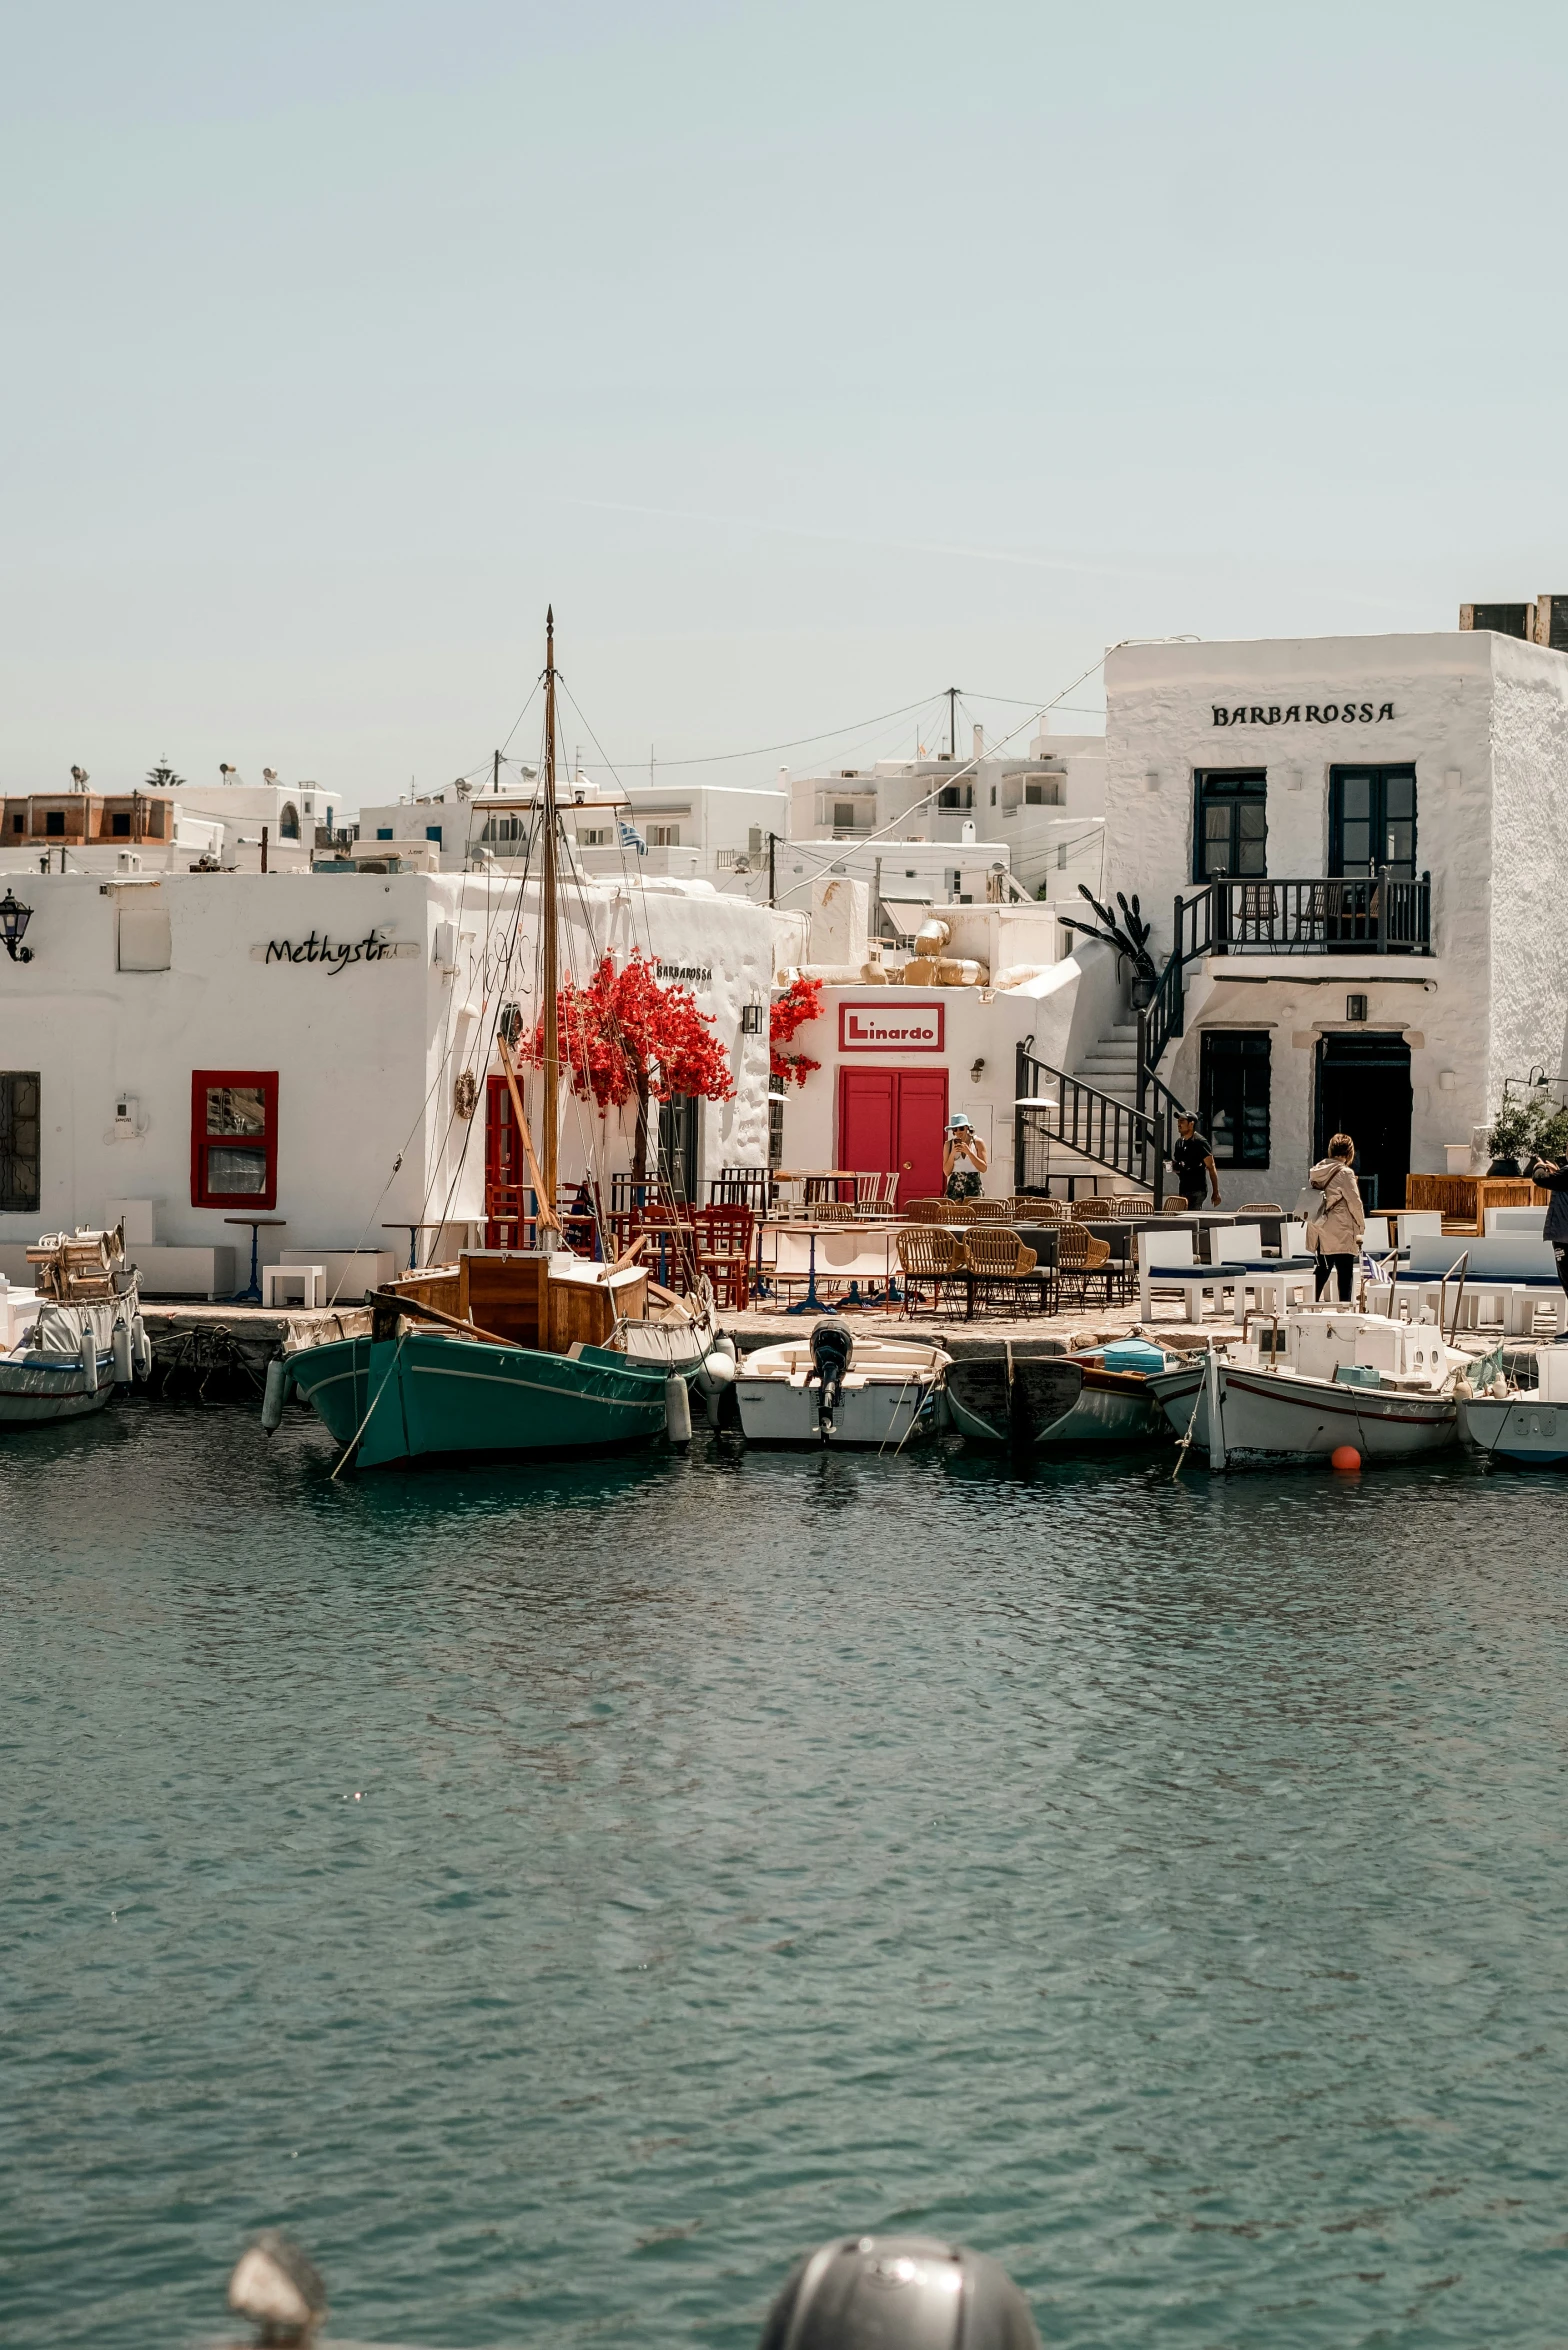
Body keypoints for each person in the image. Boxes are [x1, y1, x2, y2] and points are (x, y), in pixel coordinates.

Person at [1308, 1131, 1365, 1300]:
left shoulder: (1318, 1169)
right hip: (1341, 1228)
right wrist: (1361, 1225)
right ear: (1349, 1152)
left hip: (1319, 1225)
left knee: (1323, 1268)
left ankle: (1311, 1304)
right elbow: (1355, 1202)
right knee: (1345, 1271)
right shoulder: (1345, 1173)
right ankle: (1345, 1309)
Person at [1528, 1153, 1568, 1316]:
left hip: (1565, 1237)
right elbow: (1560, 1181)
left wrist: (1539, 1167)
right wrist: (1557, 1172)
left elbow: (1541, 1179)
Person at [1169, 1114, 1220, 1210]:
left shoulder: (1200, 1142)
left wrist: (1216, 1192)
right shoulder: (1179, 1142)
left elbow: (1211, 1166)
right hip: (1184, 1187)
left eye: (1182, 1121)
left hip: (1197, 1189)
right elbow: (1180, 1165)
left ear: (1191, 1124)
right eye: (1178, 1121)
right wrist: (1173, 1167)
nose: (1179, 1124)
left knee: (1191, 1216)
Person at [942, 1112, 989, 1202]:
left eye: (961, 1128)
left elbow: (983, 1168)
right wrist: (953, 1153)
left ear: (967, 1127)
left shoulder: (977, 1142)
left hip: (973, 1183)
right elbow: (946, 1172)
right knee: (954, 1215)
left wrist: (969, 1152)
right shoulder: (948, 1145)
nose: (958, 1132)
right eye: (955, 1129)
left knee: (973, 1213)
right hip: (955, 1183)